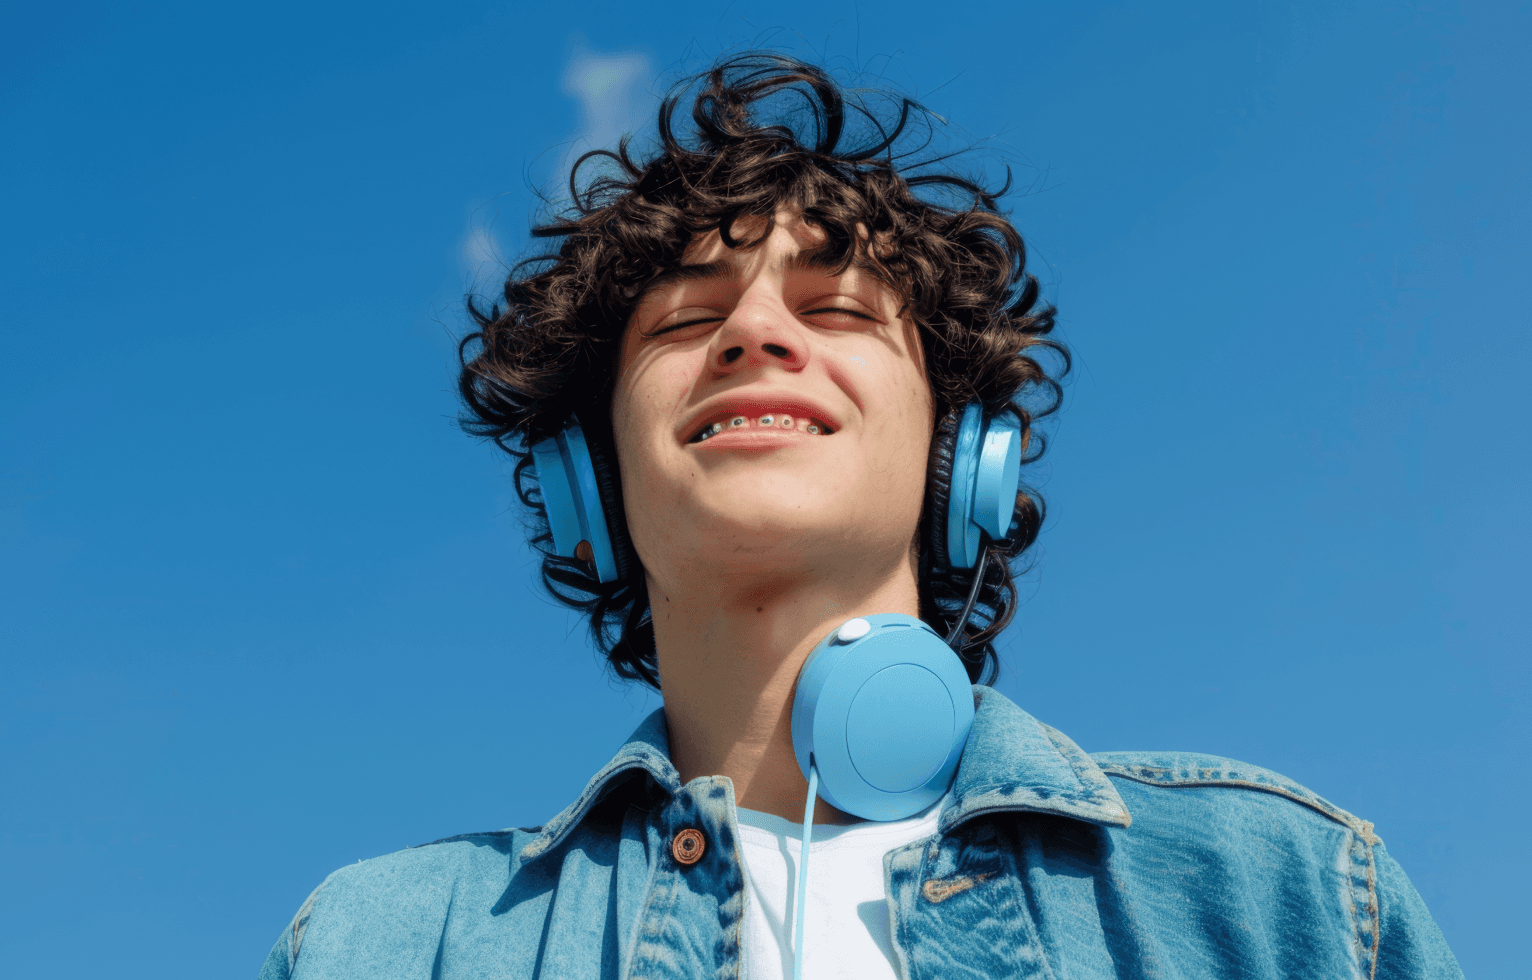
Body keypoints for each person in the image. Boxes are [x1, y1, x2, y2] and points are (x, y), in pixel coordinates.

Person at [258, 54, 1461, 980]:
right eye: (683, 322)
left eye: (834, 311)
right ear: (587, 476)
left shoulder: (1271, 892)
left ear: (961, 455)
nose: (755, 333)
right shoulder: (381, 940)